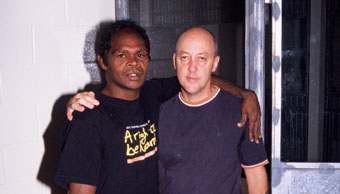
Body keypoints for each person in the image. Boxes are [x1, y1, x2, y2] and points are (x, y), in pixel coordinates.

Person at [57, 20, 262, 194]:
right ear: (103, 61)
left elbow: (196, 78)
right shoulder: (88, 119)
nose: (133, 63)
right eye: (121, 55)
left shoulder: (152, 95)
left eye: (140, 54)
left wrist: (246, 94)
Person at [158, 27, 268, 194]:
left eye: (201, 58)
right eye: (185, 57)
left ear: (215, 63)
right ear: (175, 61)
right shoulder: (159, 112)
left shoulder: (240, 111)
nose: (192, 67)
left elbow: (256, 177)